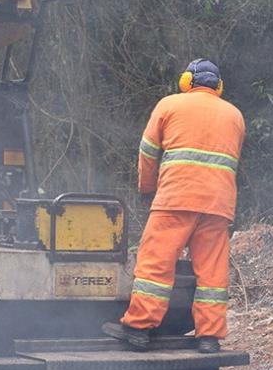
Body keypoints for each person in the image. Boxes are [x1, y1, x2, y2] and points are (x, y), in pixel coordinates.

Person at [103, 60, 246, 354]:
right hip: (218, 204)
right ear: (218, 86)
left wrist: (147, 189)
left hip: (176, 198)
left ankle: (140, 328)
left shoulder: (170, 105)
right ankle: (209, 336)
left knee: (157, 262)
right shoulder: (235, 115)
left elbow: (148, 152)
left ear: (186, 81)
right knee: (212, 272)